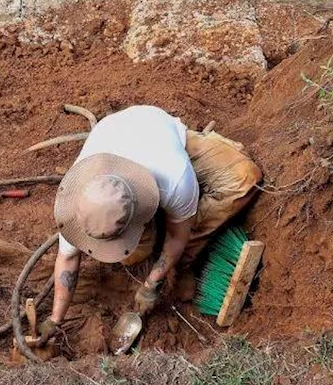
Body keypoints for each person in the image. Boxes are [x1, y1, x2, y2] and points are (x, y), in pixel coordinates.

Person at [36, 105, 261, 344]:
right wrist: (55, 320)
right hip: (116, 133)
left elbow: (177, 237)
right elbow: (68, 258)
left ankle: (183, 264)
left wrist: (153, 282)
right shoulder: (77, 204)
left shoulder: (174, 177)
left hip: (164, 134)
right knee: (133, 255)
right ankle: (161, 236)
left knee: (243, 179)